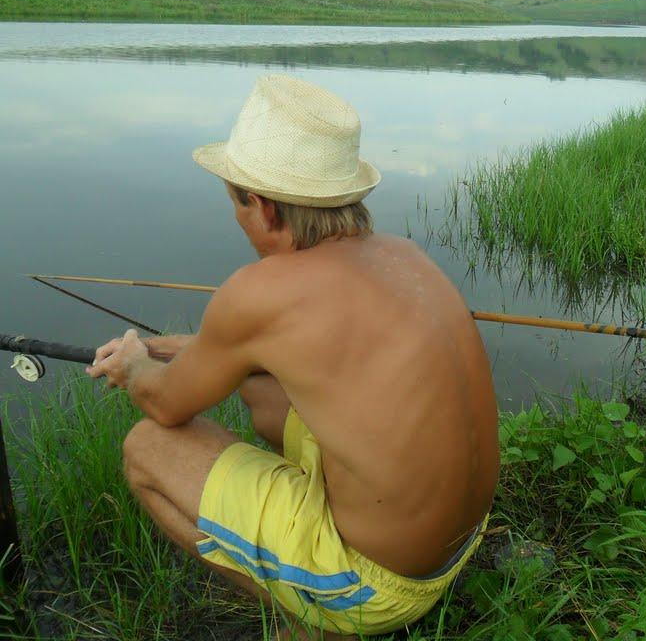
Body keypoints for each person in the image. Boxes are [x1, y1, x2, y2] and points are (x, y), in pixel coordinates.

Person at [87, 74, 500, 638]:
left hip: (374, 587)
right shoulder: (405, 257)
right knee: (261, 389)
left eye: (236, 204)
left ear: (262, 207)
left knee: (145, 450)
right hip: (456, 546)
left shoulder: (260, 292)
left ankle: (316, 622)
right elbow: (252, 353)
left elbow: (162, 403)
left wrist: (135, 367)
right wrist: (164, 347)